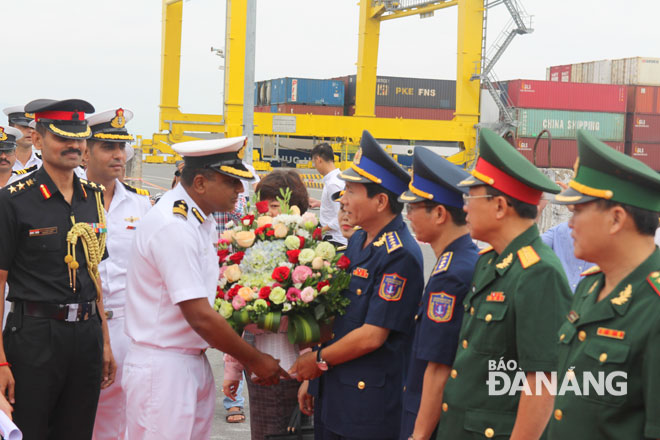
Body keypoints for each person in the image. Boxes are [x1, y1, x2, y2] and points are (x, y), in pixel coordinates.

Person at [122, 136, 287, 440]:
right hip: (165, 368)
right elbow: (199, 315)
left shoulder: (198, 221)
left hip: (187, 362)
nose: (240, 189)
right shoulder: (174, 226)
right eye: (231, 181)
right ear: (199, 182)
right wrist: (254, 360)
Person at [435, 128, 572, 440]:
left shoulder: (539, 273)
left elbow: (543, 383)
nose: (465, 206)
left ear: (499, 206)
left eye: (472, 195)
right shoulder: (489, 262)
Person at [291, 130, 424, 440]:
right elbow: (341, 316)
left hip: (368, 404)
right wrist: (315, 379)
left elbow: (372, 335)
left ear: (380, 201)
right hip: (337, 390)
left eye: (351, 190)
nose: (343, 199)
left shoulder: (400, 254)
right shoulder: (360, 240)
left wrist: (317, 360)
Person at [0, 98, 116, 439]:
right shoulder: (13, 200)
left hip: (86, 335)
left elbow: (94, 276)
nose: (74, 146)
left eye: (79, 138)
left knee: (78, 431)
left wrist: (105, 342)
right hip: (35, 335)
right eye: (63, 137)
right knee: (31, 431)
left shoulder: (91, 198)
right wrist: (1, 361)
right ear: (37, 140)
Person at [546, 130, 660, 440]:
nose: (569, 223)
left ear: (616, 219)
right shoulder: (590, 287)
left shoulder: (654, 307)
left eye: (579, 211)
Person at [398, 148, 479, 440]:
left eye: (413, 209)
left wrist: (418, 435)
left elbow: (439, 366)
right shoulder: (460, 259)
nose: (407, 216)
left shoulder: (452, 274)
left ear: (440, 213)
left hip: (432, 421)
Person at [222, 168, 310, 438]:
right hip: (257, 361)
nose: (270, 212)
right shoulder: (249, 251)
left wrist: (309, 370)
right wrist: (232, 369)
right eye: (265, 204)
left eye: (276, 204)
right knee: (264, 430)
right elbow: (237, 318)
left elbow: (317, 320)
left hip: (298, 361)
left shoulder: (308, 250)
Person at [83, 108, 152, 440]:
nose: (119, 155)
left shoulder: (141, 206)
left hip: (129, 326)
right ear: (86, 150)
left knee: (128, 414)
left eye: (122, 148)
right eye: (109, 147)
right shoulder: (70, 200)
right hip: (81, 323)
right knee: (79, 411)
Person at [309, 143, 346, 247]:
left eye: (314, 162)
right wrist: (320, 203)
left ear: (319, 160)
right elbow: (339, 206)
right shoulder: (338, 178)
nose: (315, 166)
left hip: (335, 240)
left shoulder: (333, 184)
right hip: (337, 238)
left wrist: (321, 230)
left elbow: (342, 216)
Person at [2, 106, 40, 172]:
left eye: (33, 127)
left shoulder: (44, 164)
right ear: (11, 127)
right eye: (24, 126)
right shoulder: (2, 162)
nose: (30, 131)